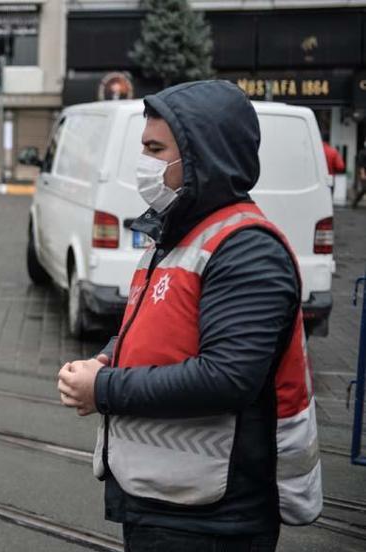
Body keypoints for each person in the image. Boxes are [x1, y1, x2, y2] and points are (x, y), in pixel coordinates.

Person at [57, 81, 321, 551]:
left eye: (155, 149)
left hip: (212, 518)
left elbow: (227, 377)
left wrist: (103, 389)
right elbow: (154, 326)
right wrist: (105, 358)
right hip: (169, 499)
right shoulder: (177, 232)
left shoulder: (246, 250)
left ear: (202, 156)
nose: (144, 162)